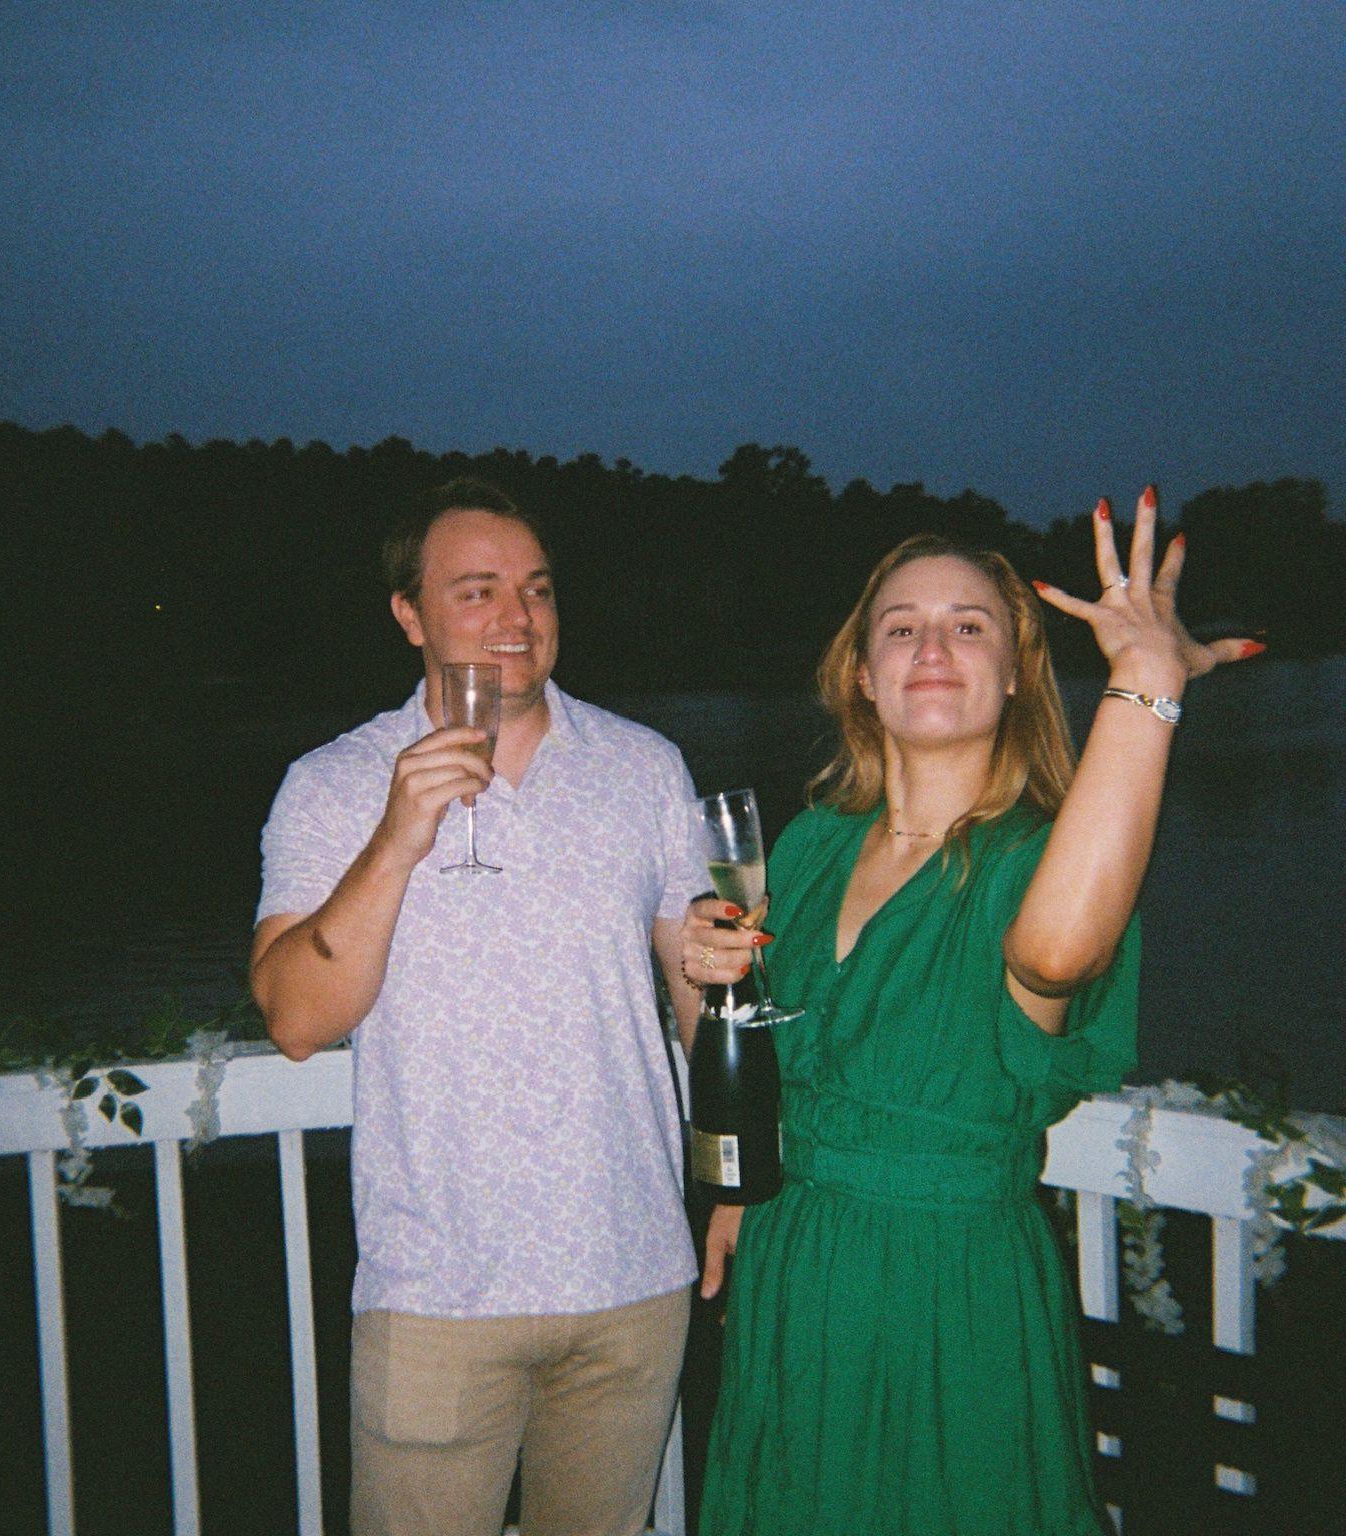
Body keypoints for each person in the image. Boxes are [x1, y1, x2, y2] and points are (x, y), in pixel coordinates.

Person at [682, 491, 1264, 1535]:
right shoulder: (810, 845)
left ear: (1015, 672)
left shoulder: (1037, 854)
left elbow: (1056, 955)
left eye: (969, 626)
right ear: (864, 676)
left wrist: (1148, 682)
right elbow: (768, 1049)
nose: (933, 648)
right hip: (791, 1268)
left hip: (950, 1289)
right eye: (901, 628)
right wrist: (709, 973)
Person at [249, 478, 705, 1536]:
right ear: (409, 615)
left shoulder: (643, 767)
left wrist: (733, 1186)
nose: (517, 617)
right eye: (476, 591)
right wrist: (396, 837)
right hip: (437, 1294)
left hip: (633, 1278)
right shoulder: (333, 783)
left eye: (536, 589)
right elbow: (296, 1019)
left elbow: (700, 992)